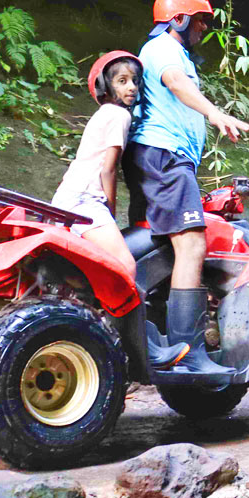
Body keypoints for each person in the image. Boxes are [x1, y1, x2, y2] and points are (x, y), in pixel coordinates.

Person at [122, 0, 249, 375]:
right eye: (199, 19)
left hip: (160, 158)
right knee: (192, 243)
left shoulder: (170, 50)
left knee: (161, 245)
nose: (203, 28)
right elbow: (176, 82)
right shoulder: (162, 48)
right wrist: (216, 114)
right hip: (165, 157)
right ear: (177, 19)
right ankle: (190, 352)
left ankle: (159, 342)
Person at [53, 50, 188, 368]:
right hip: (87, 201)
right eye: (122, 81)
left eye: (135, 82)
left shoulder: (102, 116)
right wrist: (110, 208)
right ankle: (145, 350)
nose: (131, 88)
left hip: (66, 198)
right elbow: (109, 169)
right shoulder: (118, 115)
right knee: (126, 267)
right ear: (106, 86)